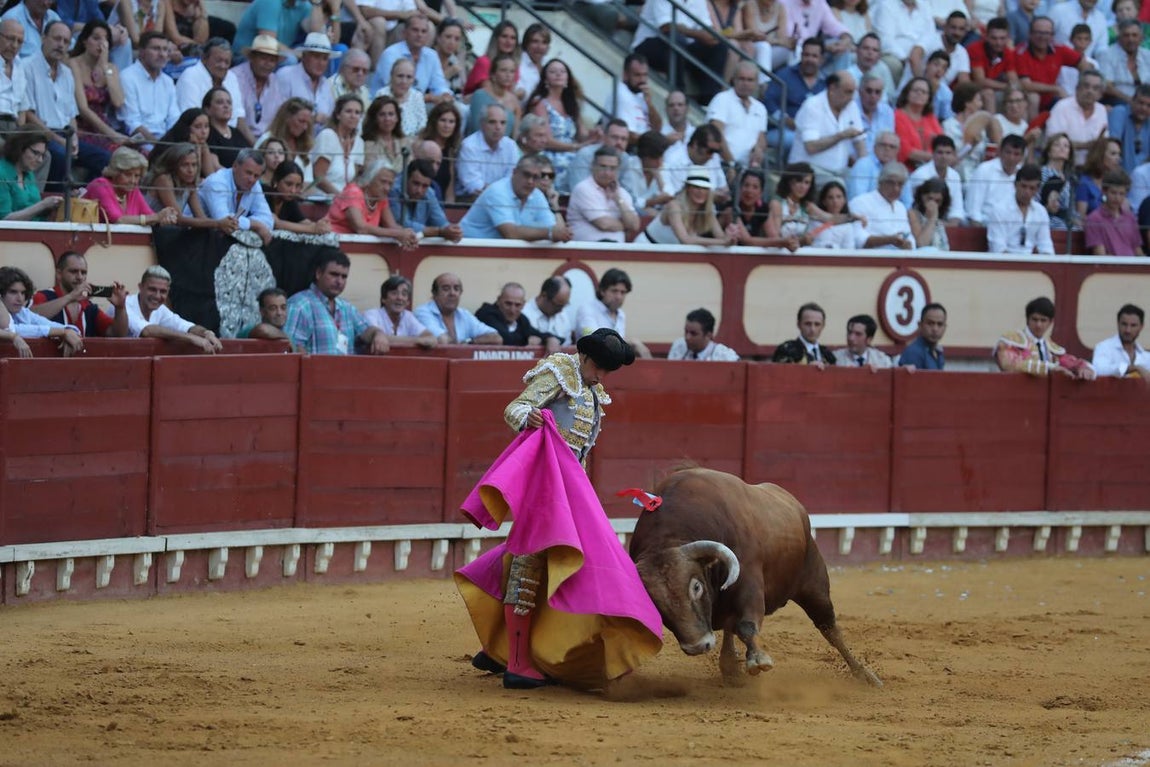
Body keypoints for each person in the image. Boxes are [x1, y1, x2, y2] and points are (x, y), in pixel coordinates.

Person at [457, 327, 659, 692]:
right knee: (531, 560)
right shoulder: (558, 373)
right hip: (544, 486)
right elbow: (515, 408)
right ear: (585, 357)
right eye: (599, 368)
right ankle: (517, 665)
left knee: (548, 559)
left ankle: (498, 648)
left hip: (569, 489)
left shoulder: (592, 391)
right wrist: (530, 417)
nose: (602, 377)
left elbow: (579, 452)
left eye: (608, 371)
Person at [25, 20, 111, 192]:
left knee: (105, 159)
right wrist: (58, 139)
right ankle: (56, 201)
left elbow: (71, 115)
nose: (61, 45)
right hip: (40, 133)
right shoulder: (27, 67)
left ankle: (85, 198)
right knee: (60, 155)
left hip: (66, 134)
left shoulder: (67, 73)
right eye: (57, 39)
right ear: (43, 38)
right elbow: (28, 114)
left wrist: (74, 139)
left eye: (66, 41)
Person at [284, 251, 390, 356]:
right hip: (317, 367)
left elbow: (366, 331)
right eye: (334, 274)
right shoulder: (299, 305)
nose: (339, 281)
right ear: (318, 273)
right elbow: (291, 348)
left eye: (344, 277)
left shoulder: (347, 308)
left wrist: (378, 333)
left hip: (347, 367)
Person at [629, 0, 728, 103]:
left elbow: (707, 27)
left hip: (682, 46)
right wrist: (698, 34)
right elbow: (666, 26)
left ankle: (709, 99)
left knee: (719, 46)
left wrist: (711, 35)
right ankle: (678, 93)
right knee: (676, 39)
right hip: (649, 45)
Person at [110, 265, 222, 353]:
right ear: (140, 287)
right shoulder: (125, 304)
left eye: (163, 291)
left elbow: (186, 326)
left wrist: (206, 333)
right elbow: (146, 330)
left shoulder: (161, 310)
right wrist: (191, 338)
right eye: (152, 289)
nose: (157, 296)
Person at [459, 154, 569, 242]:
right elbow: (510, 233)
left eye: (535, 177)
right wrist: (549, 233)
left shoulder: (537, 194)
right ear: (514, 172)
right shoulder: (498, 191)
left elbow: (556, 229)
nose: (530, 181)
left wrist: (556, 226)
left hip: (497, 254)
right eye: (526, 175)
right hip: (467, 250)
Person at [788, 70, 865, 185]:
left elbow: (860, 143)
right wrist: (841, 136)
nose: (851, 97)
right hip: (809, 170)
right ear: (832, 89)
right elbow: (811, 147)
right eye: (848, 92)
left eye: (853, 92)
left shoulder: (851, 106)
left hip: (839, 172)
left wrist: (865, 168)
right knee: (839, 186)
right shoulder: (812, 106)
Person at [66, 20, 129, 153]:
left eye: (105, 40)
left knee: (140, 154)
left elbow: (118, 102)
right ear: (84, 41)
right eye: (96, 38)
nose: (101, 44)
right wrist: (111, 134)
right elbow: (83, 108)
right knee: (118, 155)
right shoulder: (73, 64)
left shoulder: (111, 68)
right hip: (83, 128)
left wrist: (105, 67)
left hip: (104, 126)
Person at [994, 296, 1095, 379]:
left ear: (1050, 322)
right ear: (1027, 319)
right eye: (1035, 319)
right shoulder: (1011, 341)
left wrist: (1083, 368)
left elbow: (1070, 362)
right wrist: (1050, 368)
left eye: (1043, 320)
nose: (1038, 325)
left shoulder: (1051, 348)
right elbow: (1010, 365)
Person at [143, 142, 236, 231]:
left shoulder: (189, 184)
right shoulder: (164, 179)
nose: (191, 170)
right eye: (185, 165)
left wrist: (223, 225)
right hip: (147, 228)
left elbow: (201, 217)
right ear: (173, 165)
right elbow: (178, 219)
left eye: (194, 165)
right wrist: (218, 223)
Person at [325, 160, 419, 247]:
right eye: (383, 182)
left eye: (390, 184)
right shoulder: (353, 192)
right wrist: (397, 234)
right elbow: (360, 227)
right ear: (370, 179)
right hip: (332, 244)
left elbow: (392, 226)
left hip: (358, 248)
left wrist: (408, 235)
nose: (387, 188)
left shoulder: (381, 198)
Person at [175, 38, 251, 144]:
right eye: (218, 61)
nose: (223, 66)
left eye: (227, 62)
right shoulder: (190, 76)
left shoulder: (231, 77)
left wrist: (258, 147)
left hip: (230, 136)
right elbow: (193, 121)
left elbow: (239, 118)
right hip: (202, 138)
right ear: (204, 58)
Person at [763, 38, 828, 158]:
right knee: (801, 143)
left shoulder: (825, 83)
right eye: (806, 55)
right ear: (801, 55)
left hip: (813, 132)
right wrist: (785, 119)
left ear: (821, 59)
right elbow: (768, 101)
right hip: (782, 130)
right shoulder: (785, 75)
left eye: (814, 56)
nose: (809, 59)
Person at [767, 161, 858, 247]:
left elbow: (831, 219)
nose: (803, 186)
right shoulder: (777, 203)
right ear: (789, 182)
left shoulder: (807, 206)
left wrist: (853, 217)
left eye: (807, 182)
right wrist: (801, 240)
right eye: (799, 181)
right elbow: (775, 238)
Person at [0, 265, 84, 356]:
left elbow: (71, 329)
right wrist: (62, 332)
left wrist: (68, 332)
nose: (20, 298)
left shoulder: (23, 313)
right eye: (13, 292)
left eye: (23, 293)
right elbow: (12, 329)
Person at [641, 165, 734, 246]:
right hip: (646, 248)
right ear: (687, 189)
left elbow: (721, 237)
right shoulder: (674, 206)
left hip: (670, 255)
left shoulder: (707, 210)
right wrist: (722, 242)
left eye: (704, 188)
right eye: (696, 187)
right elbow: (685, 239)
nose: (700, 191)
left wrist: (731, 237)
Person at [83, 146, 178, 226]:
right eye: (128, 174)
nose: (133, 181)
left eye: (137, 176)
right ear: (115, 172)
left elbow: (149, 215)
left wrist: (166, 216)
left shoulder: (132, 190)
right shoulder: (100, 185)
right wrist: (157, 217)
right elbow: (118, 220)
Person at [29, 251, 115, 338]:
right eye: (74, 271)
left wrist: (120, 308)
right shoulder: (44, 296)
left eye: (83, 272)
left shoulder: (88, 306)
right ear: (59, 274)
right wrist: (70, 297)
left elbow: (115, 333)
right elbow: (28, 318)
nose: (80, 277)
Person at [199, 148, 275, 244]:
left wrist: (248, 224)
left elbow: (268, 220)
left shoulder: (255, 185)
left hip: (218, 239)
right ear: (235, 166)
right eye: (248, 173)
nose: (251, 179)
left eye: (256, 176)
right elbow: (223, 219)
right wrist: (255, 225)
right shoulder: (217, 182)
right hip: (194, 235)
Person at [373, 14, 452, 105]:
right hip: (387, 104)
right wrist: (429, 98)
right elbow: (396, 90)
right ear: (404, 33)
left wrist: (445, 95)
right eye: (415, 30)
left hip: (419, 103)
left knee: (456, 108)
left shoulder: (431, 55)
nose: (419, 35)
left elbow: (439, 85)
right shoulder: (390, 54)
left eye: (423, 31)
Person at [567, 147, 641, 243]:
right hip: (587, 248)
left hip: (616, 248)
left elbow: (634, 225)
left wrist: (618, 199)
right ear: (593, 166)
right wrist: (625, 227)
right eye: (603, 167)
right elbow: (603, 224)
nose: (607, 173)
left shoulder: (622, 193)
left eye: (612, 168)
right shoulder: (583, 188)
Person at [574, 267, 652, 358]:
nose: (618, 297)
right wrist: (632, 342)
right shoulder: (587, 309)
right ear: (602, 291)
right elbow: (594, 340)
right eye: (614, 291)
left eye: (623, 292)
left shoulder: (621, 315)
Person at [706, 60, 768, 169]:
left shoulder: (760, 108)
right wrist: (731, 163)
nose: (745, 83)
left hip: (746, 169)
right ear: (733, 80)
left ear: (756, 83)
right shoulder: (722, 99)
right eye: (741, 79)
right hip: (720, 165)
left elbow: (761, 139)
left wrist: (758, 150)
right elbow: (716, 134)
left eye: (750, 80)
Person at [413, 272, 502, 345]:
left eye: (456, 289)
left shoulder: (464, 314)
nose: (452, 293)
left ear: (460, 293)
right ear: (434, 294)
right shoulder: (423, 312)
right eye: (446, 289)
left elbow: (496, 338)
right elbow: (442, 341)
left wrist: (470, 342)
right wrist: (463, 345)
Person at [565, 119, 642, 201]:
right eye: (615, 137)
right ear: (604, 138)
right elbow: (579, 192)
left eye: (624, 139)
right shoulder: (585, 155)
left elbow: (629, 193)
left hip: (608, 203)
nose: (619, 142)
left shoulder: (625, 158)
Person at [986, 163, 1054, 254]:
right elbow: (998, 248)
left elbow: (1045, 245)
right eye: (1023, 186)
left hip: (1030, 261)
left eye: (1032, 188)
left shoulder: (1041, 211)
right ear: (1015, 185)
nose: (1027, 192)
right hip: (1003, 261)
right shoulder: (999, 210)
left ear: (1037, 189)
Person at [1045, 69, 1108, 165]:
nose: (1090, 91)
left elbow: (1103, 141)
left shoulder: (1101, 110)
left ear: (1100, 94)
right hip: (1064, 165)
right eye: (1086, 86)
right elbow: (1053, 142)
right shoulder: (1062, 107)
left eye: (1095, 88)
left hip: (1091, 167)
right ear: (1077, 88)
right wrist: (1086, 145)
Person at [456, 103, 519, 199]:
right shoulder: (469, 146)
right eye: (492, 122)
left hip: (504, 198)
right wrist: (501, 192)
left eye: (502, 123)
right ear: (482, 124)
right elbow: (473, 184)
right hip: (470, 200)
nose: (498, 127)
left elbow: (513, 178)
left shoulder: (511, 145)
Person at [230, 34, 286, 142]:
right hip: (237, 139)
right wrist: (257, 146)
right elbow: (237, 118)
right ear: (252, 57)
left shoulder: (275, 81)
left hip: (266, 142)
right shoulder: (234, 77)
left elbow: (279, 118)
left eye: (272, 60)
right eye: (263, 58)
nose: (267, 64)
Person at [389, 157, 462, 240]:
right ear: (406, 178)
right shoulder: (393, 189)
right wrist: (438, 232)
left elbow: (441, 222)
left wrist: (452, 231)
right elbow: (401, 223)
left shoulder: (429, 192)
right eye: (416, 183)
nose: (419, 190)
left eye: (425, 186)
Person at [276, 33, 338, 128]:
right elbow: (277, 115)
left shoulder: (326, 84)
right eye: (316, 57)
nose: (320, 63)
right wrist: (312, 118)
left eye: (325, 59)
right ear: (304, 56)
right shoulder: (285, 76)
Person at [850, 161, 914, 249]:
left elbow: (909, 237)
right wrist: (889, 240)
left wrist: (908, 244)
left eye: (900, 184)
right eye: (891, 183)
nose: (896, 188)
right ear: (880, 182)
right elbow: (859, 240)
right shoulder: (860, 202)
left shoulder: (901, 207)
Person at [965, 133, 1027, 224]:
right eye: (1008, 152)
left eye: (1016, 154)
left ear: (1022, 156)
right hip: (984, 224)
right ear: (1000, 152)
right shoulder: (984, 170)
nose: (1011, 158)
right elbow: (973, 210)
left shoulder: (1024, 175)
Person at [0, 129, 61, 220]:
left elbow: (32, 209)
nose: (40, 160)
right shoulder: (2, 173)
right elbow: (4, 219)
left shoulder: (28, 173)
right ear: (20, 148)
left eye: (42, 155)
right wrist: (43, 205)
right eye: (35, 153)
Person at [362, 274, 436, 348]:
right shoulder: (372, 315)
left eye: (404, 294)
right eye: (394, 293)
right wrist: (418, 340)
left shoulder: (408, 316)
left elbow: (431, 338)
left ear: (408, 302)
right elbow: (375, 337)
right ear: (383, 299)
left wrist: (419, 340)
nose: (400, 298)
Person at [312, 93, 365, 196]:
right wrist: (341, 197)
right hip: (323, 197)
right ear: (338, 115)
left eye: (357, 112)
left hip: (346, 200)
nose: (353, 116)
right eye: (348, 111)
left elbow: (352, 180)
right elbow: (318, 177)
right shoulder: (327, 135)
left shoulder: (359, 142)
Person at [258, 98, 316, 190]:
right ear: (287, 118)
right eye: (301, 121)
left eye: (307, 123)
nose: (305, 127)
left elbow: (308, 181)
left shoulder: (306, 145)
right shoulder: (266, 139)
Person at [873, 0, 935, 84]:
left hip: (920, 55)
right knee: (893, 65)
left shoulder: (925, 5)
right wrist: (906, 59)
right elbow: (885, 39)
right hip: (896, 56)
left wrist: (919, 49)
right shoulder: (886, 4)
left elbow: (930, 34)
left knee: (936, 64)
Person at [907, 135, 966, 222]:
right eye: (940, 152)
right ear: (933, 153)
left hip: (947, 222)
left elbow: (957, 208)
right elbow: (916, 207)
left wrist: (951, 224)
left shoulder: (955, 175)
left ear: (953, 155)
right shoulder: (920, 175)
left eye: (948, 153)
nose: (944, 157)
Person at [967, 16, 1019, 113]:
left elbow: (1013, 78)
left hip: (992, 88)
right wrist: (1007, 87)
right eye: (994, 38)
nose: (998, 43)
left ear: (1008, 38)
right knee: (988, 93)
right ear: (986, 36)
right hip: (971, 90)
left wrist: (1014, 88)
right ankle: (992, 123)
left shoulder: (1007, 52)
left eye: (1002, 38)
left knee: (1019, 96)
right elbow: (980, 81)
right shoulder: (975, 49)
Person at [1085, 170, 1143, 256]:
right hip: (1112, 264)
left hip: (1132, 263)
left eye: (1121, 194)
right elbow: (1100, 255)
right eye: (1113, 193)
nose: (1117, 198)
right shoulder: (1094, 219)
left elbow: (1138, 250)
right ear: (1104, 191)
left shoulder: (1130, 218)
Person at [266, 160, 330, 235]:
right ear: (276, 181)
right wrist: (313, 229)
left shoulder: (289, 200)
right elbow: (275, 223)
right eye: (288, 184)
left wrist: (320, 226)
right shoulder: (264, 194)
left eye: (297, 186)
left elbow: (303, 222)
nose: (293, 190)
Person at [466, 52, 520, 138]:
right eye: (503, 70)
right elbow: (476, 128)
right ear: (493, 74)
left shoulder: (514, 101)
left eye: (512, 71)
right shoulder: (480, 95)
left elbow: (515, 135)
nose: (508, 75)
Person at [417, 101, 462, 202]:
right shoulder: (420, 145)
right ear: (434, 121)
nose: (447, 126)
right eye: (443, 120)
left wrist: (449, 208)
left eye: (451, 122)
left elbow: (450, 188)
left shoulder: (451, 151)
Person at [894, 77, 943, 169]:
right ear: (907, 94)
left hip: (933, 167)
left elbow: (942, 144)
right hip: (906, 168)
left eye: (924, 92)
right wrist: (938, 158)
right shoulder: (898, 116)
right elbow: (906, 151)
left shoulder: (931, 118)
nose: (919, 93)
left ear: (928, 98)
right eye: (916, 90)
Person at [475, 282, 545, 347]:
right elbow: (504, 338)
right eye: (508, 304)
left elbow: (538, 334)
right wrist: (527, 341)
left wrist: (549, 338)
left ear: (523, 304)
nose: (512, 310)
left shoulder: (521, 319)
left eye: (517, 305)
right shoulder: (486, 314)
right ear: (499, 300)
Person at [1099, 19, 1150, 105]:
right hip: (1118, 102)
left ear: (1141, 38)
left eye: (1134, 35)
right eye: (1126, 35)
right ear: (1119, 38)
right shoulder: (1107, 55)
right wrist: (1131, 101)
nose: (1131, 39)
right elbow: (1107, 86)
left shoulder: (1147, 55)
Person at [614, 52, 662, 145]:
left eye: (645, 75)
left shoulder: (640, 93)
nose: (642, 80)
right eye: (637, 75)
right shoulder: (621, 94)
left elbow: (658, 128)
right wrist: (654, 142)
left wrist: (650, 104)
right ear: (625, 75)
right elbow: (628, 135)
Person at [462, 19, 519, 96]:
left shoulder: (514, 65)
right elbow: (491, 94)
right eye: (504, 36)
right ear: (496, 39)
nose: (509, 41)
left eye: (513, 38)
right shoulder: (484, 62)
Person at [1092, 303, 1150, 378]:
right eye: (1124, 324)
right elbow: (1099, 370)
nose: (1128, 330)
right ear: (1118, 324)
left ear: (1141, 327)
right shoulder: (1104, 347)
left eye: (1133, 325)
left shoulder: (1147, 357)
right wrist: (1133, 368)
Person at [771, 302, 835, 366]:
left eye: (817, 324)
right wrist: (807, 369)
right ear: (798, 324)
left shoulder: (828, 355)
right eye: (808, 324)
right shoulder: (786, 350)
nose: (812, 329)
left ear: (823, 326)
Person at [376, 57, 427, 138]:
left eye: (409, 77)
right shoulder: (382, 94)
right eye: (400, 76)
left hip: (413, 141)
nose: (404, 81)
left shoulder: (417, 96)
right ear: (392, 76)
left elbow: (422, 126)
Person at [202, 87, 252, 168]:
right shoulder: (207, 134)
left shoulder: (237, 133)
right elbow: (215, 167)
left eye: (229, 103)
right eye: (220, 102)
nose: (226, 106)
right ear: (207, 109)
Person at [523, 275, 575, 352]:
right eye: (558, 306)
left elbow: (567, 346)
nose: (561, 310)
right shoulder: (523, 314)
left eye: (564, 305)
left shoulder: (563, 316)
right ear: (544, 295)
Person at [667, 307, 739, 361]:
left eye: (693, 334)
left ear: (708, 335)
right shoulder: (679, 346)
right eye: (686, 331)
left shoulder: (725, 356)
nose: (687, 337)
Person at [1075, 135, 1122, 217]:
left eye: (1119, 154)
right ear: (1100, 155)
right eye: (1113, 154)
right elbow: (1080, 218)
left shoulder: (1116, 182)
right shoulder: (1084, 184)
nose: (1118, 158)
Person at [1108, 84, 1150, 174]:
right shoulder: (1120, 112)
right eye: (1141, 103)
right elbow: (1112, 145)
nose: (1144, 108)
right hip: (1119, 176)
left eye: (1148, 105)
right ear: (1132, 101)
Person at [1040, 132, 1078, 230]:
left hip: (1066, 222)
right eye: (1057, 145)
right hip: (1048, 221)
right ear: (1049, 152)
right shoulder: (1042, 172)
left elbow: (1071, 208)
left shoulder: (1069, 178)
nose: (1062, 148)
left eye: (1066, 146)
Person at [810, 180, 865, 248]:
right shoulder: (814, 221)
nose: (835, 201)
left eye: (839, 197)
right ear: (824, 201)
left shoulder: (848, 226)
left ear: (844, 200)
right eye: (830, 197)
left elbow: (849, 250)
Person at [362, 95, 409, 173]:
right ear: (374, 118)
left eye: (391, 114)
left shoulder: (405, 142)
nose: (387, 119)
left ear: (397, 118)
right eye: (382, 114)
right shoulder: (367, 144)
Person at [899, 302, 947, 369]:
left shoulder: (938, 352)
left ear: (945, 327)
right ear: (920, 325)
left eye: (940, 324)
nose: (935, 329)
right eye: (930, 323)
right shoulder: (913, 353)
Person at [908, 177, 951, 250]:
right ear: (922, 196)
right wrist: (932, 218)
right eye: (930, 199)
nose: (933, 204)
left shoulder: (940, 219)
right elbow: (921, 244)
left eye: (937, 201)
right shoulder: (913, 214)